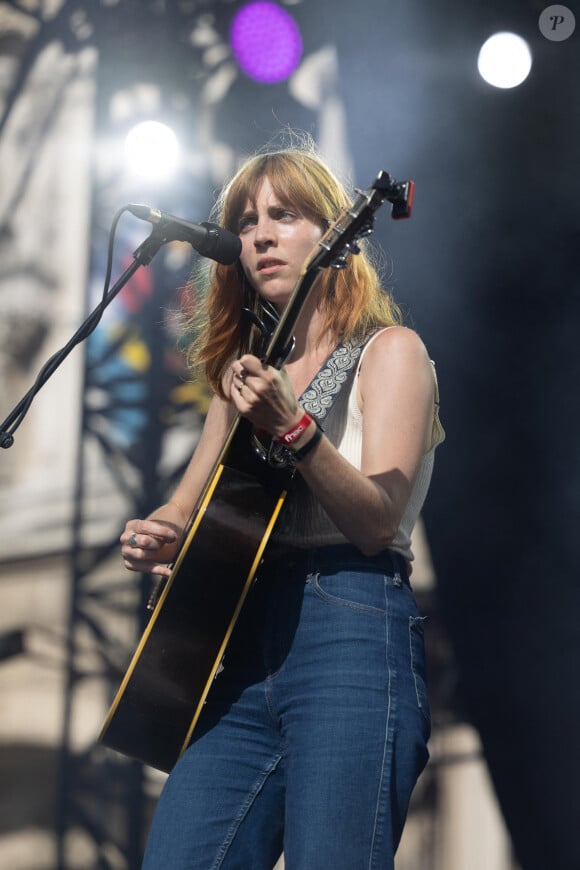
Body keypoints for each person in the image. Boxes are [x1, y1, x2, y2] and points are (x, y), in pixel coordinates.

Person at [120, 141, 445, 870]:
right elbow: (186, 509)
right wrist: (157, 535)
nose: (259, 234)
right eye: (245, 220)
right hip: (237, 638)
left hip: (351, 627)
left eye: (285, 214)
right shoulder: (241, 377)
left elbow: (378, 520)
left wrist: (294, 427)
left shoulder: (390, 351)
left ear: (333, 236)